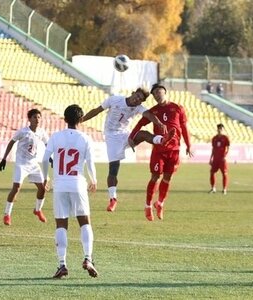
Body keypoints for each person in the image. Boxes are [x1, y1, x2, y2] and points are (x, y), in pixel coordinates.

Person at [83, 87, 171, 212]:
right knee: (113, 169)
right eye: (137, 96)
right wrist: (81, 120)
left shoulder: (138, 107)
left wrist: (159, 124)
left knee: (143, 134)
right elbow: (96, 111)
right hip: (111, 137)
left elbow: (149, 115)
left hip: (125, 135)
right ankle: (113, 199)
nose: (137, 99)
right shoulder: (114, 100)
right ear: (133, 93)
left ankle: (162, 140)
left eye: (140, 99)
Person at [42, 104, 98, 279]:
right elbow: (90, 162)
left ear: (65, 119)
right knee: (84, 222)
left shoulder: (56, 137)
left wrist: (46, 178)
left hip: (60, 184)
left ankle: (62, 264)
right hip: (78, 183)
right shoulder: (85, 138)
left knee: (61, 224)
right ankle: (88, 258)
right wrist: (93, 179)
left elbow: (44, 159)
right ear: (81, 120)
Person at [129, 83, 193, 221]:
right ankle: (147, 206)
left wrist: (189, 144)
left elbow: (184, 126)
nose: (158, 94)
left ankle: (160, 203)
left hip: (174, 150)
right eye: (155, 93)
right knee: (155, 176)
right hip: (159, 150)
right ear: (153, 96)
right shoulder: (152, 112)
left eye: (159, 91)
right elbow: (140, 124)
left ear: (165, 92)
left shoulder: (177, 108)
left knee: (168, 178)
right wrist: (131, 137)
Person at [0, 108, 49, 226]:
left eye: (39, 117)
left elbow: (48, 145)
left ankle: (37, 210)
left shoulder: (41, 132)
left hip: (33, 164)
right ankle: (7, 214)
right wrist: (4, 158)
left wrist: (50, 156)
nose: (37, 119)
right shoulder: (23, 131)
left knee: (42, 188)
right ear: (29, 119)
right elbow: (11, 142)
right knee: (16, 188)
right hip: (21, 164)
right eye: (34, 117)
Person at [209, 123, 230, 194]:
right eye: (219, 128)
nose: (220, 130)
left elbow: (227, 148)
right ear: (217, 129)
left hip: (222, 159)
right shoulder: (214, 138)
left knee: (224, 173)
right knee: (212, 172)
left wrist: (225, 156)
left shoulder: (225, 138)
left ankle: (224, 189)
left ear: (223, 129)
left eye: (221, 128)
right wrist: (211, 158)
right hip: (215, 159)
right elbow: (213, 149)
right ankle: (213, 188)